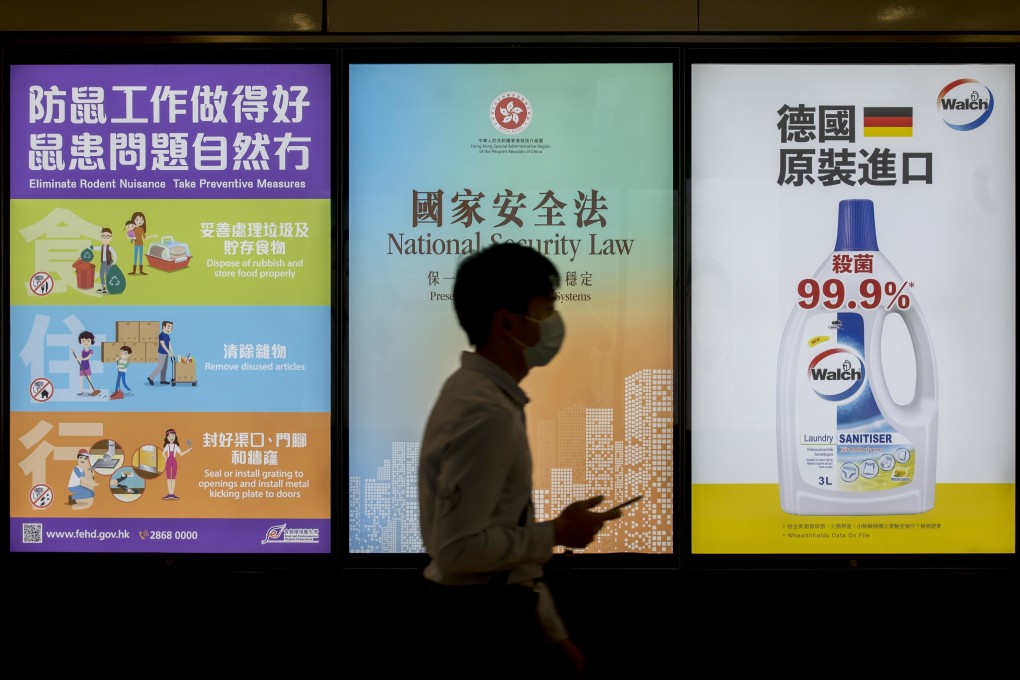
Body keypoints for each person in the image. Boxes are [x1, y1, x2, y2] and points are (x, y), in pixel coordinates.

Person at [418, 242, 620, 675]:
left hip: (496, 611)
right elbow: (457, 550)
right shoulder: (484, 412)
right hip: (484, 625)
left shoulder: (482, 395)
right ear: (507, 322)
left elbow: (494, 541)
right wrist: (555, 533)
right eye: (546, 310)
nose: (554, 323)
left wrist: (552, 631)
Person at [161, 428, 192, 500]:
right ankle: (169, 494)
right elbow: (163, 453)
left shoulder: (176, 446)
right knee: (169, 478)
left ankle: (172, 494)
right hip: (168, 462)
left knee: (173, 478)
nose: (171, 438)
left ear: (175, 437)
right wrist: (165, 459)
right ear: (167, 438)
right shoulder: (167, 446)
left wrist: (189, 450)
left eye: (173, 436)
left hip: (174, 462)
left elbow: (181, 454)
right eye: (169, 436)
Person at [147, 321, 174, 385]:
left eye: (171, 327)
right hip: (161, 353)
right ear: (163, 327)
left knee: (165, 367)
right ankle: (150, 377)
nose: (170, 328)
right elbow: (163, 345)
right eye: (169, 326)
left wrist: (172, 352)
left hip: (166, 353)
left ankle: (162, 380)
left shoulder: (167, 335)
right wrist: (169, 352)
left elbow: (169, 344)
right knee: (160, 366)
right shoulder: (161, 335)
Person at [93, 227, 117, 294]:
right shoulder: (102, 247)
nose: (105, 238)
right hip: (103, 263)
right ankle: (103, 287)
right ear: (101, 237)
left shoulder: (110, 247)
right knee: (101, 274)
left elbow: (114, 254)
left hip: (109, 263)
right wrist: (92, 248)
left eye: (107, 236)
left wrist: (114, 262)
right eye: (103, 236)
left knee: (107, 275)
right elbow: (98, 248)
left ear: (111, 238)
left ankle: (108, 287)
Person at [74, 331, 96, 396]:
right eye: (83, 341)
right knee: (81, 379)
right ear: (81, 342)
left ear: (91, 341)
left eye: (88, 341)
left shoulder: (91, 351)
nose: (86, 342)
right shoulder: (82, 351)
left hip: (87, 366)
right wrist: (77, 358)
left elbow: (88, 357)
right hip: (82, 366)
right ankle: (81, 391)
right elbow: (80, 356)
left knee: (89, 378)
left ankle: (91, 391)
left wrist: (80, 359)